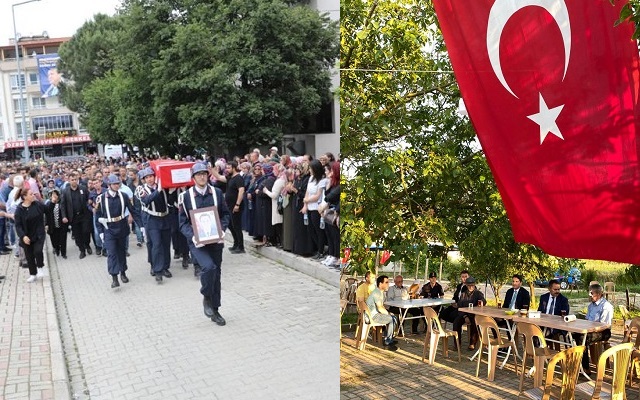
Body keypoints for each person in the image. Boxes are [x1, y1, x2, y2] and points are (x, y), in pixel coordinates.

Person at [178, 162, 231, 326]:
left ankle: (215, 310)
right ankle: (206, 295)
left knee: (216, 276)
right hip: (197, 243)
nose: (202, 177)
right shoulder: (185, 197)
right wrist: (192, 237)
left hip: (216, 240)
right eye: (198, 174)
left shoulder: (217, 193)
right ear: (193, 177)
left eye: (204, 174)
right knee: (208, 268)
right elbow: (182, 223)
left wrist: (222, 230)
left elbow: (225, 215)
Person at [96, 174, 137, 288]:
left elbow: (132, 210)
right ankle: (114, 277)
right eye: (114, 184)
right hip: (109, 229)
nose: (117, 185)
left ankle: (123, 272)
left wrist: (141, 225)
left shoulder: (123, 196)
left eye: (118, 183)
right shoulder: (102, 198)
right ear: (109, 185)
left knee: (121, 252)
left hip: (121, 226)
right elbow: (97, 216)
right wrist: (100, 232)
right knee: (112, 253)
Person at [137, 167, 172, 282]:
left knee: (166, 244)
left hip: (165, 217)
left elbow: (170, 200)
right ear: (144, 179)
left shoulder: (163, 186)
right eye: (147, 177)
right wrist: (158, 191)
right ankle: (157, 270)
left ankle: (165, 267)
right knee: (156, 244)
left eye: (151, 176)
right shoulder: (141, 189)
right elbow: (146, 200)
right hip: (152, 219)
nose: (149, 179)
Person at [573, 284, 613, 375]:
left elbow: (604, 325)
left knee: (582, 338)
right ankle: (576, 363)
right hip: (590, 329)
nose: (590, 295)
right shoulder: (591, 305)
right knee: (572, 335)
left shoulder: (606, 306)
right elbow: (587, 319)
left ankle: (585, 368)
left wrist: (589, 330)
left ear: (598, 294)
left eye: (592, 293)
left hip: (603, 331)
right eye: (589, 293)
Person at [14, 188, 47, 283]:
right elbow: (18, 225)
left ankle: (40, 267)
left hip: (39, 234)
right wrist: (23, 236)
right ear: (25, 197)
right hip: (27, 236)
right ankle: (33, 274)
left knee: (38, 251)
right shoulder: (19, 210)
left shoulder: (37, 205)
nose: (33, 195)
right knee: (29, 256)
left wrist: (47, 223)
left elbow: (48, 210)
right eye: (31, 194)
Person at [60, 172, 92, 259]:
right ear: (69, 181)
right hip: (73, 217)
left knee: (86, 231)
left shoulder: (83, 188)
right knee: (77, 235)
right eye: (72, 180)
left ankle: (87, 245)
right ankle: (82, 250)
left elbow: (89, 198)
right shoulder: (65, 191)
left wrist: (89, 202)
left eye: (75, 180)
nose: (74, 181)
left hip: (84, 215)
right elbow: (62, 205)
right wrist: (64, 216)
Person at [366, 275, 399, 351]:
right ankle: (387, 342)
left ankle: (389, 338)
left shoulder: (380, 292)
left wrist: (388, 313)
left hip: (374, 314)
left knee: (393, 317)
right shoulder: (377, 293)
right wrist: (388, 314)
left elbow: (381, 306)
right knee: (391, 319)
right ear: (380, 284)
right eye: (386, 282)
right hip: (372, 316)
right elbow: (380, 308)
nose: (388, 284)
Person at [452, 276, 485, 350]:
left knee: (475, 322)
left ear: (474, 285)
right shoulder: (463, 294)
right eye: (469, 285)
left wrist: (482, 302)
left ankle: (472, 343)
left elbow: (483, 300)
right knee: (456, 322)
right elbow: (459, 307)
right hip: (464, 314)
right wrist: (465, 316)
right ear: (466, 285)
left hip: (474, 315)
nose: (471, 287)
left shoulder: (478, 293)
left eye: (472, 285)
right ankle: (457, 343)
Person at [537, 279, 570, 343]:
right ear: (549, 288)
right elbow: (539, 311)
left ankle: (545, 348)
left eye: (558, 289)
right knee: (532, 330)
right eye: (555, 289)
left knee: (546, 333)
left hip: (556, 325)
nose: (557, 291)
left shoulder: (563, 300)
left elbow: (565, 315)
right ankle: (536, 349)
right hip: (543, 323)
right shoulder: (544, 297)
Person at [224, 161, 245, 253]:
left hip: (236, 206)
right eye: (226, 167)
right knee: (230, 225)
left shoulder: (238, 178)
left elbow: (241, 191)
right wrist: (211, 170)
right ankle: (236, 243)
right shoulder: (230, 177)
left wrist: (237, 204)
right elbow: (219, 177)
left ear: (234, 168)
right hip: (229, 205)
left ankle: (241, 247)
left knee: (237, 226)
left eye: (229, 168)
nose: (227, 169)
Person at [44, 189, 67, 259]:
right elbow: (47, 214)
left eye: (55, 194)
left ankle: (63, 253)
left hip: (62, 225)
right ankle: (57, 249)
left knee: (63, 240)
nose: (54, 196)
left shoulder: (61, 203)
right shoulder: (48, 204)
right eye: (52, 195)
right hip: (53, 226)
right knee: (54, 240)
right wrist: (46, 224)